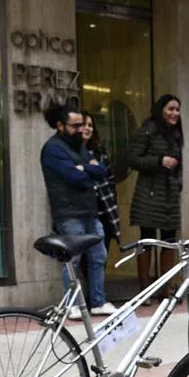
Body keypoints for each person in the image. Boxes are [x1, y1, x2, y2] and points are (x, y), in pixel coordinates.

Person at [40, 102, 114, 318]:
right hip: (69, 212)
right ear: (60, 126)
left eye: (82, 124)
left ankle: (97, 302)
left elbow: (101, 171)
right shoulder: (53, 148)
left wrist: (86, 168)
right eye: (75, 126)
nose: (81, 129)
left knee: (98, 256)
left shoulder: (79, 147)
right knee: (73, 260)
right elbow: (76, 177)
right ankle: (72, 305)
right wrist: (85, 170)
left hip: (89, 211)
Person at [127, 94, 183, 299]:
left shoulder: (175, 134)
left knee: (169, 242)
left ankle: (166, 287)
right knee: (147, 240)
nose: (174, 113)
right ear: (161, 109)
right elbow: (133, 159)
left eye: (177, 109)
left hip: (169, 194)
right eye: (170, 109)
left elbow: (179, 163)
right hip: (148, 194)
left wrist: (178, 184)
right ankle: (145, 288)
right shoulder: (147, 131)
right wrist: (159, 160)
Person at [81, 112, 121, 252]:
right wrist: (93, 168)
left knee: (101, 254)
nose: (87, 128)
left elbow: (108, 176)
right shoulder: (70, 152)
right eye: (83, 125)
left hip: (105, 209)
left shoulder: (99, 152)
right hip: (84, 210)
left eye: (90, 125)